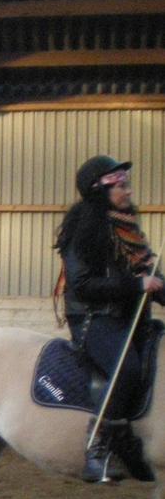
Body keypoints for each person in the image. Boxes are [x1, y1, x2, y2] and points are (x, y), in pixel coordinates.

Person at [54, 154, 162, 482]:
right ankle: (97, 447)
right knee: (126, 369)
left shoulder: (129, 231)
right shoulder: (84, 230)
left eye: (127, 185)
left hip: (131, 321)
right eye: (121, 186)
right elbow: (83, 286)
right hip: (94, 320)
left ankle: (134, 436)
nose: (128, 191)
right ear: (100, 189)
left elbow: (151, 281)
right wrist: (136, 284)